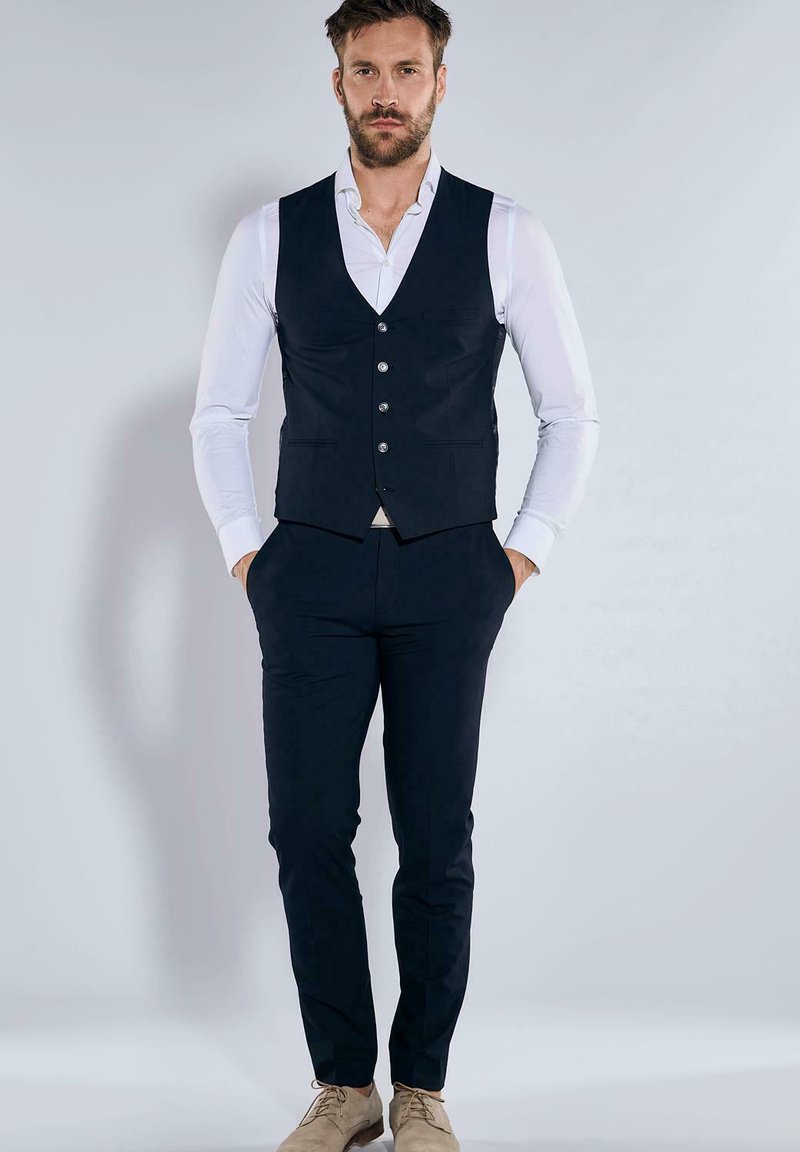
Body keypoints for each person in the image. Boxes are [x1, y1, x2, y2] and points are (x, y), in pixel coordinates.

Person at [190, 2, 599, 1148]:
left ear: (438, 82)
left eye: (404, 69)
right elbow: (218, 410)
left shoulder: (505, 232)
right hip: (308, 573)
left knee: (434, 837)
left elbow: (570, 412)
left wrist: (518, 555)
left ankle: (419, 1085)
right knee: (306, 831)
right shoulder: (268, 235)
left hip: (449, 574)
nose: (384, 90)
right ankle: (343, 1085)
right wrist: (246, 551)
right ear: (336, 83)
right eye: (363, 69)